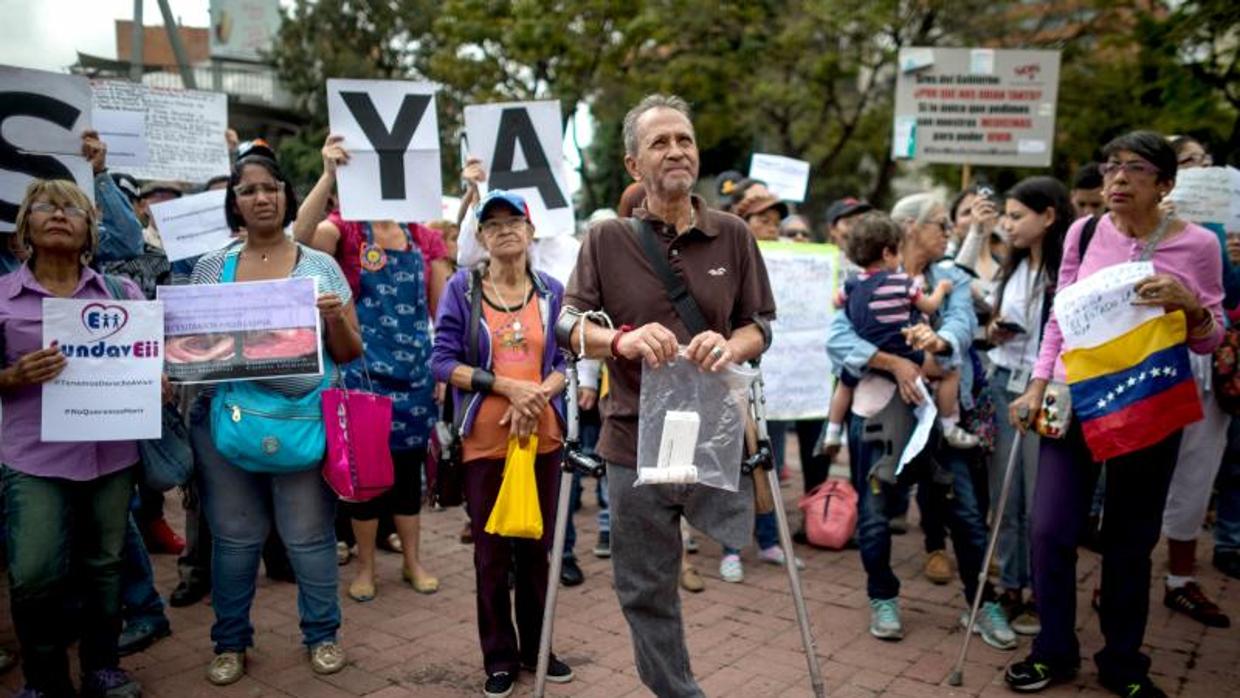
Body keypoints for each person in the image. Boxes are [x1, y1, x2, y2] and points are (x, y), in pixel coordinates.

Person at [560, 94, 776, 697]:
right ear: (634, 166)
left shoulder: (732, 234)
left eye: (684, 139)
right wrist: (619, 342)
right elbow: (566, 326)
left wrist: (732, 346)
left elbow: (761, 325)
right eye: (660, 142)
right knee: (646, 587)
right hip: (632, 437)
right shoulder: (605, 240)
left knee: (738, 552)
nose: (677, 150)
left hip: (716, 432)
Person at [1004, 131, 1224, 696]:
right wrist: (1035, 384)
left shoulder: (1199, 245)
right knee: (1051, 529)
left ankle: (1122, 662)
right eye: (1111, 168)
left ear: (1165, 184)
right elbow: (1061, 318)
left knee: (1129, 541)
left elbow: (1211, 339)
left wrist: (1191, 304)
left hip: (1150, 407)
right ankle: (1052, 650)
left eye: (1135, 170)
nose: (1118, 180)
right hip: (1076, 401)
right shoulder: (1080, 232)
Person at [188, 146, 361, 686]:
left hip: (305, 422)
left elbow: (351, 352)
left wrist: (331, 320)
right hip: (228, 424)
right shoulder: (211, 267)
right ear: (234, 204)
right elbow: (194, 348)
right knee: (235, 539)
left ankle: (323, 635)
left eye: (270, 188)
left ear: (287, 196)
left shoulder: (320, 266)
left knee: (309, 537)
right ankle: (230, 642)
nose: (261, 198)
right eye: (247, 191)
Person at [827, 192, 1016, 651]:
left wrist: (936, 345)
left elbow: (959, 327)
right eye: (939, 224)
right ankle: (882, 597)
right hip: (877, 417)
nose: (947, 232)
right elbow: (836, 338)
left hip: (938, 418)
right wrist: (897, 364)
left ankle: (980, 601)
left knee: (967, 517)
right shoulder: (859, 280)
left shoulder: (949, 278)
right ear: (909, 227)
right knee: (873, 519)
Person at [0, 179, 147, 698]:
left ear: (89, 230)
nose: (58, 214)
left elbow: (148, 363)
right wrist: (11, 377)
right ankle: (43, 680)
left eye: (71, 208)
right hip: (33, 459)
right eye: (45, 206)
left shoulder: (121, 294)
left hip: (110, 456)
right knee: (35, 573)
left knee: (104, 566)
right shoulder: (2, 296)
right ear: (25, 228)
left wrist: (157, 378)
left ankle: (103, 667)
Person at [431, 189, 572, 697]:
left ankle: (539, 648)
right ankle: (499, 656)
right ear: (481, 237)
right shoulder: (461, 290)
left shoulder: (553, 290)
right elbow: (442, 361)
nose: (505, 230)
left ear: (531, 231)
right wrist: (507, 387)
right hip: (484, 443)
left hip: (543, 440)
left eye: (515, 221)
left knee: (538, 550)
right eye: (493, 224)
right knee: (491, 554)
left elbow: (566, 361)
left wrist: (537, 395)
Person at [297, 133, 449, 602]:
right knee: (363, 476)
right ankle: (364, 568)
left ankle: (412, 562)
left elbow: (440, 312)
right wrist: (326, 174)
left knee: (407, 475)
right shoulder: (342, 230)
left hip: (415, 379)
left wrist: (442, 373)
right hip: (361, 374)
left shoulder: (424, 238)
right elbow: (298, 241)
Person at [982, 176, 1072, 637]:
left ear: (1050, 216)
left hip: (1048, 393)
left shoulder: (1067, 270)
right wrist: (997, 329)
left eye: (1018, 216)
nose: (1008, 225)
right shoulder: (1011, 266)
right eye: (1007, 215)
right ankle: (1010, 584)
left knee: (1042, 500)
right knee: (1006, 495)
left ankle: (1042, 591)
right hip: (1002, 384)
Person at [1151, 133, 1233, 628]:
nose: (1197, 171)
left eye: (1202, 162)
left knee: (1199, 469)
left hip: (1205, 363)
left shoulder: (1222, 233)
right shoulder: (1134, 225)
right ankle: (1116, 577)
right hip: (1149, 362)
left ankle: (1181, 577)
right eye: (1185, 163)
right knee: (1136, 471)